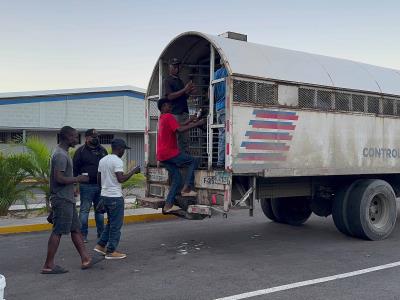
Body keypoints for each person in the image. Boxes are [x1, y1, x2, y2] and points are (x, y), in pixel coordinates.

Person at [41, 126, 103, 274]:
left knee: (76, 229)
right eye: (75, 137)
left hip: (66, 198)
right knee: (58, 231)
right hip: (62, 199)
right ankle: (48, 265)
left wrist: (73, 186)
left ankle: (85, 258)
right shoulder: (61, 155)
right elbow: (59, 178)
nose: (77, 139)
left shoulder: (62, 152)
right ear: (68, 137)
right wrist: (78, 179)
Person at [156, 98, 206, 213]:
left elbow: (177, 125)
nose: (171, 107)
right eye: (169, 105)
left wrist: (190, 120)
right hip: (170, 152)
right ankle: (187, 188)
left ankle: (168, 205)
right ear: (163, 107)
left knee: (177, 178)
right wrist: (197, 123)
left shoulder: (162, 118)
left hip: (162, 155)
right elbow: (179, 129)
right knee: (193, 161)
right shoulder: (168, 116)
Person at [94, 139, 140, 260]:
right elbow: (121, 179)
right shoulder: (117, 161)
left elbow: (98, 179)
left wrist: (103, 192)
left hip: (105, 196)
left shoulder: (103, 160)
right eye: (124, 149)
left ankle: (101, 245)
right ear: (119, 149)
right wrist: (134, 171)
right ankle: (111, 251)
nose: (124, 152)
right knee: (116, 226)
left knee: (110, 223)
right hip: (115, 197)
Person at [73, 129, 108, 243]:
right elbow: (75, 170)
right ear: (87, 138)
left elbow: (107, 167)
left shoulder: (103, 150)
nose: (96, 139)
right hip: (86, 186)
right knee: (84, 211)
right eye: (93, 137)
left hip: (101, 186)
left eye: (97, 136)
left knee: (100, 211)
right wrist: (75, 185)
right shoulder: (80, 151)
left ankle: (101, 235)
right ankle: (83, 235)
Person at [163, 57, 196, 154]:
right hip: (175, 113)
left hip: (184, 112)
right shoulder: (167, 80)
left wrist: (189, 92)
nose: (176, 68)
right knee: (176, 137)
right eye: (174, 66)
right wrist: (184, 89)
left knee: (185, 139)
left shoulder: (180, 81)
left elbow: (183, 97)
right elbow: (170, 97)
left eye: (177, 65)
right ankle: (175, 158)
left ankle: (184, 159)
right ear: (169, 67)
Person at [214, 60, 228, 168]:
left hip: (218, 107)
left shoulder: (216, 73)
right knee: (225, 135)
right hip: (226, 107)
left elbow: (212, 92)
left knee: (221, 135)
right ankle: (221, 162)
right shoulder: (228, 72)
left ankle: (220, 160)